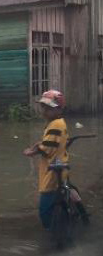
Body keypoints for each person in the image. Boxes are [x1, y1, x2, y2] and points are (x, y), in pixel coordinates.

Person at [22, 90, 89, 228]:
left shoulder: (55, 124)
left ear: (59, 109)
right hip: (60, 164)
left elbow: (46, 148)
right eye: (44, 107)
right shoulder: (58, 123)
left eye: (49, 108)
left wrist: (31, 152)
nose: (45, 111)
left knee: (45, 209)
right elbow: (49, 142)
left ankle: (52, 232)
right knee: (63, 192)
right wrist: (37, 145)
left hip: (53, 170)